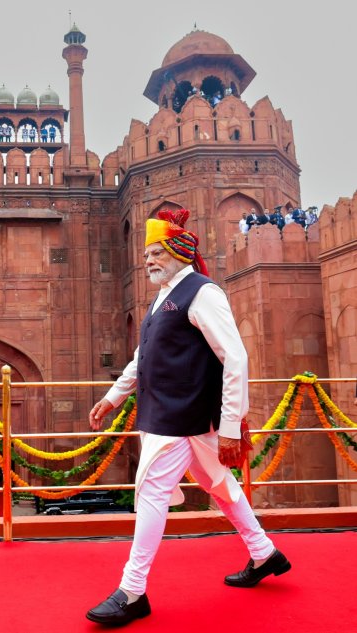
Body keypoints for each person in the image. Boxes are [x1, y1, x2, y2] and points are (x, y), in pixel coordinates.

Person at [85, 209, 290, 627]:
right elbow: (146, 356)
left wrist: (233, 427)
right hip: (177, 416)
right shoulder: (165, 297)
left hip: (180, 418)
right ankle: (264, 552)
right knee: (221, 487)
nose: (148, 261)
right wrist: (113, 397)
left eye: (156, 252)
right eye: (146, 255)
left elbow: (234, 358)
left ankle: (132, 591)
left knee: (151, 494)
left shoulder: (202, 292)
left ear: (180, 251)